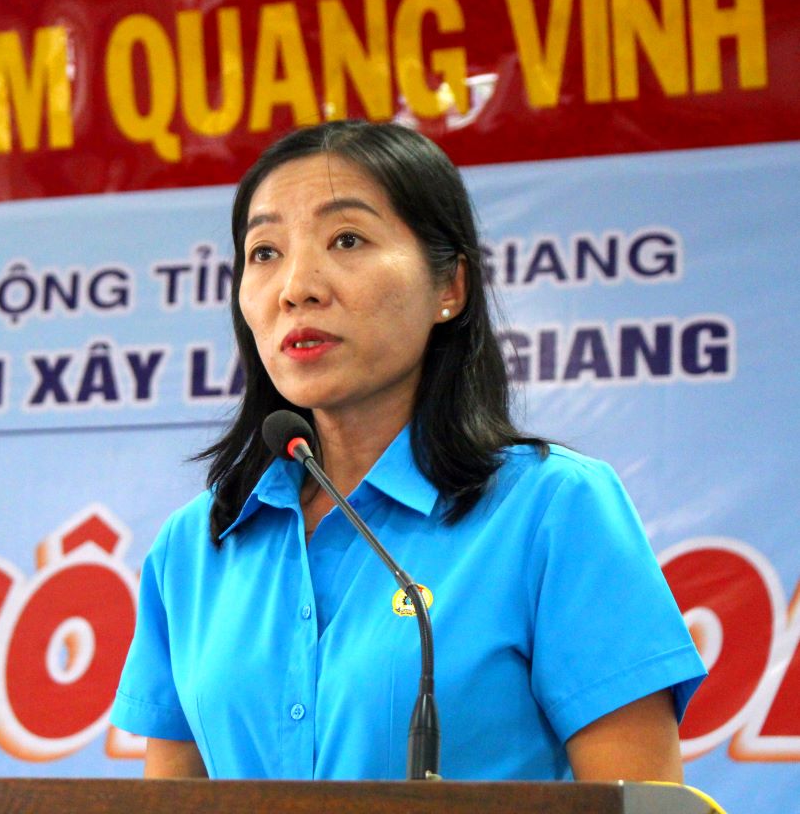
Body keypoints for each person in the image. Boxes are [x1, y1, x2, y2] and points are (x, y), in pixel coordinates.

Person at [109, 120, 706, 781]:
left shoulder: (551, 509)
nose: (296, 286)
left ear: (448, 288)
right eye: (264, 253)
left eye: (347, 239)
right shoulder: (197, 546)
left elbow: (638, 799)